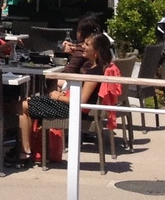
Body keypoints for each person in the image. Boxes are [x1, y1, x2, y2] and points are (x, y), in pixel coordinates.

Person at [18, 29, 116, 165]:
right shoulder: (98, 67)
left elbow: (81, 101)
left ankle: (25, 152)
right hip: (70, 105)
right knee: (27, 103)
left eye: (87, 45)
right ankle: (28, 150)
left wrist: (58, 97)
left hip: (73, 110)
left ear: (96, 52)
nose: (83, 47)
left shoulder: (94, 73)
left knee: (23, 105)